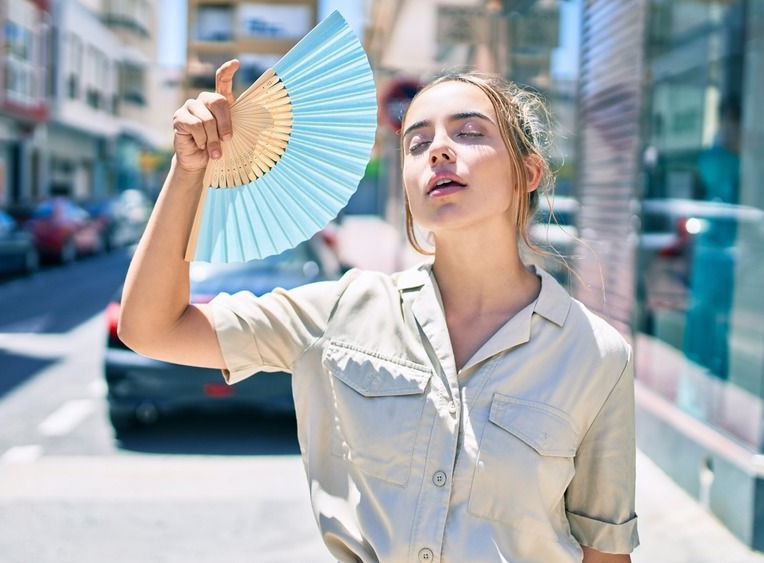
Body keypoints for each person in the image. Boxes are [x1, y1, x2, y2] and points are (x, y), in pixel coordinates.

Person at [119, 59, 638, 563]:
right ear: (408, 186)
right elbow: (151, 327)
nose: (438, 150)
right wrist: (188, 171)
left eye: (470, 133)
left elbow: (603, 551)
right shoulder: (341, 311)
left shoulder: (595, 355)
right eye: (417, 143)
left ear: (528, 172)